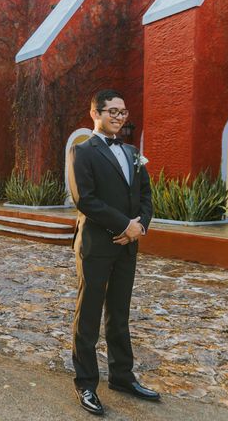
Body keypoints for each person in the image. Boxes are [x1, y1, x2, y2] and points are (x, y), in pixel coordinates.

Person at [67, 89, 159, 416]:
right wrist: (123, 226)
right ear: (96, 113)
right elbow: (85, 200)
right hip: (96, 245)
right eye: (113, 112)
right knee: (88, 316)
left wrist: (139, 227)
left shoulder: (133, 152)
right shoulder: (81, 152)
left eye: (123, 112)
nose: (120, 117)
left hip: (127, 247)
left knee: (119, 314)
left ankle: (121, 376)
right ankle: (87, 384)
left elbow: (146, 196)